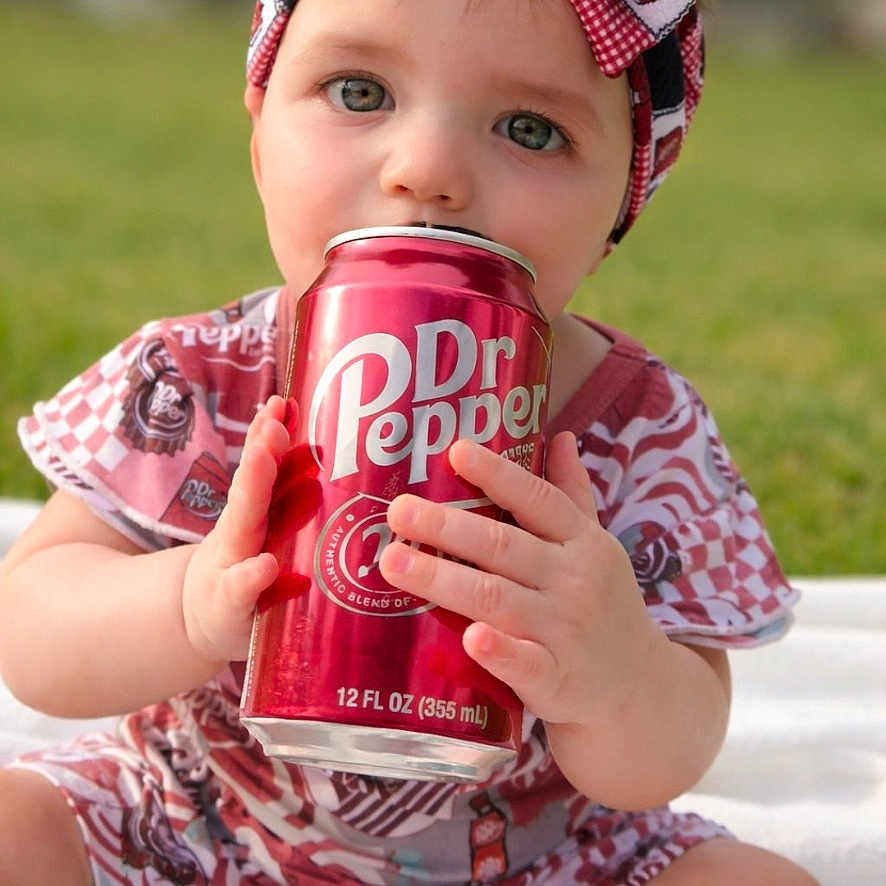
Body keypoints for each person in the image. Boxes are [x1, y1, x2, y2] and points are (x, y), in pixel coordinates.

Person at [0, 1, 819, 883]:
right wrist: (188, 602)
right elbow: (31, 629)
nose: (427, 171)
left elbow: (674, 750)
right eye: (359, 90)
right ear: (260, 133)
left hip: (540, 858)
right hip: (197, 819)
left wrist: (610, 670)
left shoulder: (641, 431)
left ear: (626, 197)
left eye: (531, 129)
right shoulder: (199, 375)